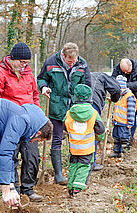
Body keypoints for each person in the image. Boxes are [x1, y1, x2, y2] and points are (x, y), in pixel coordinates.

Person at [0, 42, 43, 202]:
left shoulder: (29, 75)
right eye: (21, 62)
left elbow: (35, 96)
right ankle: (13, 190)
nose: (24, 66)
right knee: (10, 157)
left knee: (32, 156)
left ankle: (28, 189)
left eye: (26, 63)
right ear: (13, 58)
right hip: (9, 125)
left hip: (29, 125)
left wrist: (37, 116)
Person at [37, 42, 92, 185]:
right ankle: (59, 174)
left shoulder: (82, 64)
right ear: (63, 55)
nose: (72, 63)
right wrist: (43, 87)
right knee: (57, 138)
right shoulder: (51, 62)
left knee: (76, 138)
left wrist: (84, 103)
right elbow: (41, 78)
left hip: (75, 108)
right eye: (69, 61)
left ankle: (76, 170)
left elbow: (87, 85)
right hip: (56, 106)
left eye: (74, 60)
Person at [64, 84, 105, 196]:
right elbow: (100, 130)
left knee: (73, 165)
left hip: (74, 148)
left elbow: (65, 126)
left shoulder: (69, 113)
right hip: (87, 148)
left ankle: (71, 186)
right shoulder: (93, 113)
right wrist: (99, 138)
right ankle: (78, 188)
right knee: (84, 166)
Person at [90, 72, 121, 171]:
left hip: (76, 103)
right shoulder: (102, 76)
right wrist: (114, 99)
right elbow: (116, 89)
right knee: (93, 132)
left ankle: (79, 162)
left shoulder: (83, 74)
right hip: (93, 103)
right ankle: (92, 163)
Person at [109, 75, 137, 158]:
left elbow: (131, 111)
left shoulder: (129, 96)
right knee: (116, 137)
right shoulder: (119, 97)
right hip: (117, 122)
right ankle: (116, 152)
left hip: (124, 123)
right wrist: (113, 120)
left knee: (124, 138)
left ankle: (125, 154)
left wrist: (130, 122)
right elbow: (115, 109)